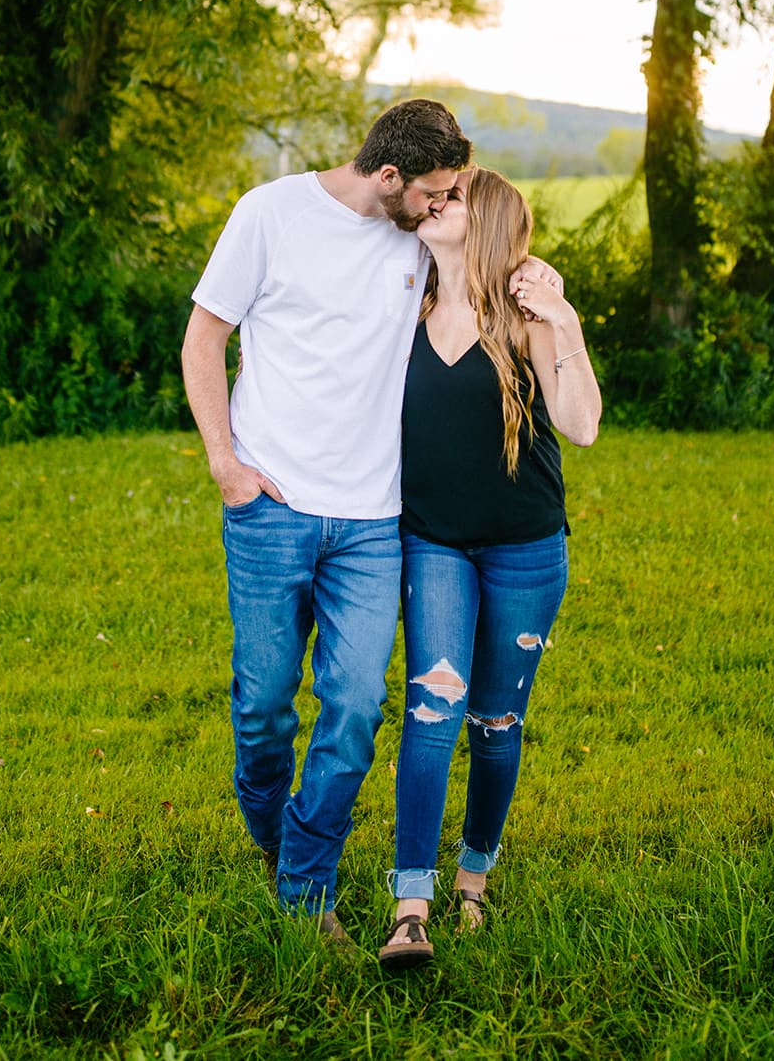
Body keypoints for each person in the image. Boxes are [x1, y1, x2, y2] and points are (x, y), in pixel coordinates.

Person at [180, 101, 560, 943]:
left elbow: (493, 271)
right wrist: (224, 462)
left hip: (374, 522)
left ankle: (307, 891)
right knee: (263, 709)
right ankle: (281, 844)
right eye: (432, 190)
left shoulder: (423, 241)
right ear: (389, 178)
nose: (440, 204)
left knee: (353, 706)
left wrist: (548, 289)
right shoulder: (269, 214)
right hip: (269, 508)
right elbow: (204, 335)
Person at [377, 166, 601, 970]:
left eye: (455, 196)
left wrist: (564, 320)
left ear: (490, 220)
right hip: (432, 542)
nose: (435, 202)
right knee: (432, 712)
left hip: (525, 550)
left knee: (495, 724)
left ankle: (473, 876)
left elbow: (580, 426)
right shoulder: (402, 304)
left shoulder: (527, 315)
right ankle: (411, 905)